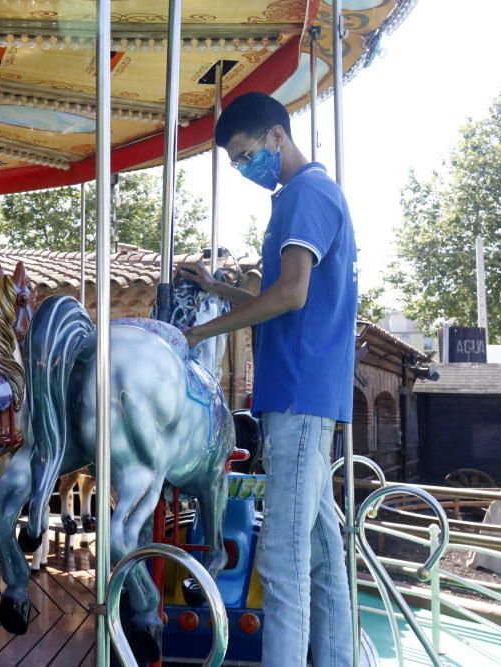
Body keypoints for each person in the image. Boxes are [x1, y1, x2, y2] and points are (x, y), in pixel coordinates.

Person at [178, 92, 356, 667]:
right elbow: (273, 299)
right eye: (235, 162)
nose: (243, 168)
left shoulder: (305, 194)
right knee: (324, 554)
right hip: (302, 391)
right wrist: (214, 290)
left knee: (281, 559)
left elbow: (291, 293)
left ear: (277, 136)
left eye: (246, 154)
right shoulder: (308, 195)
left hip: (300, 395)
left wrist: (202, 334)